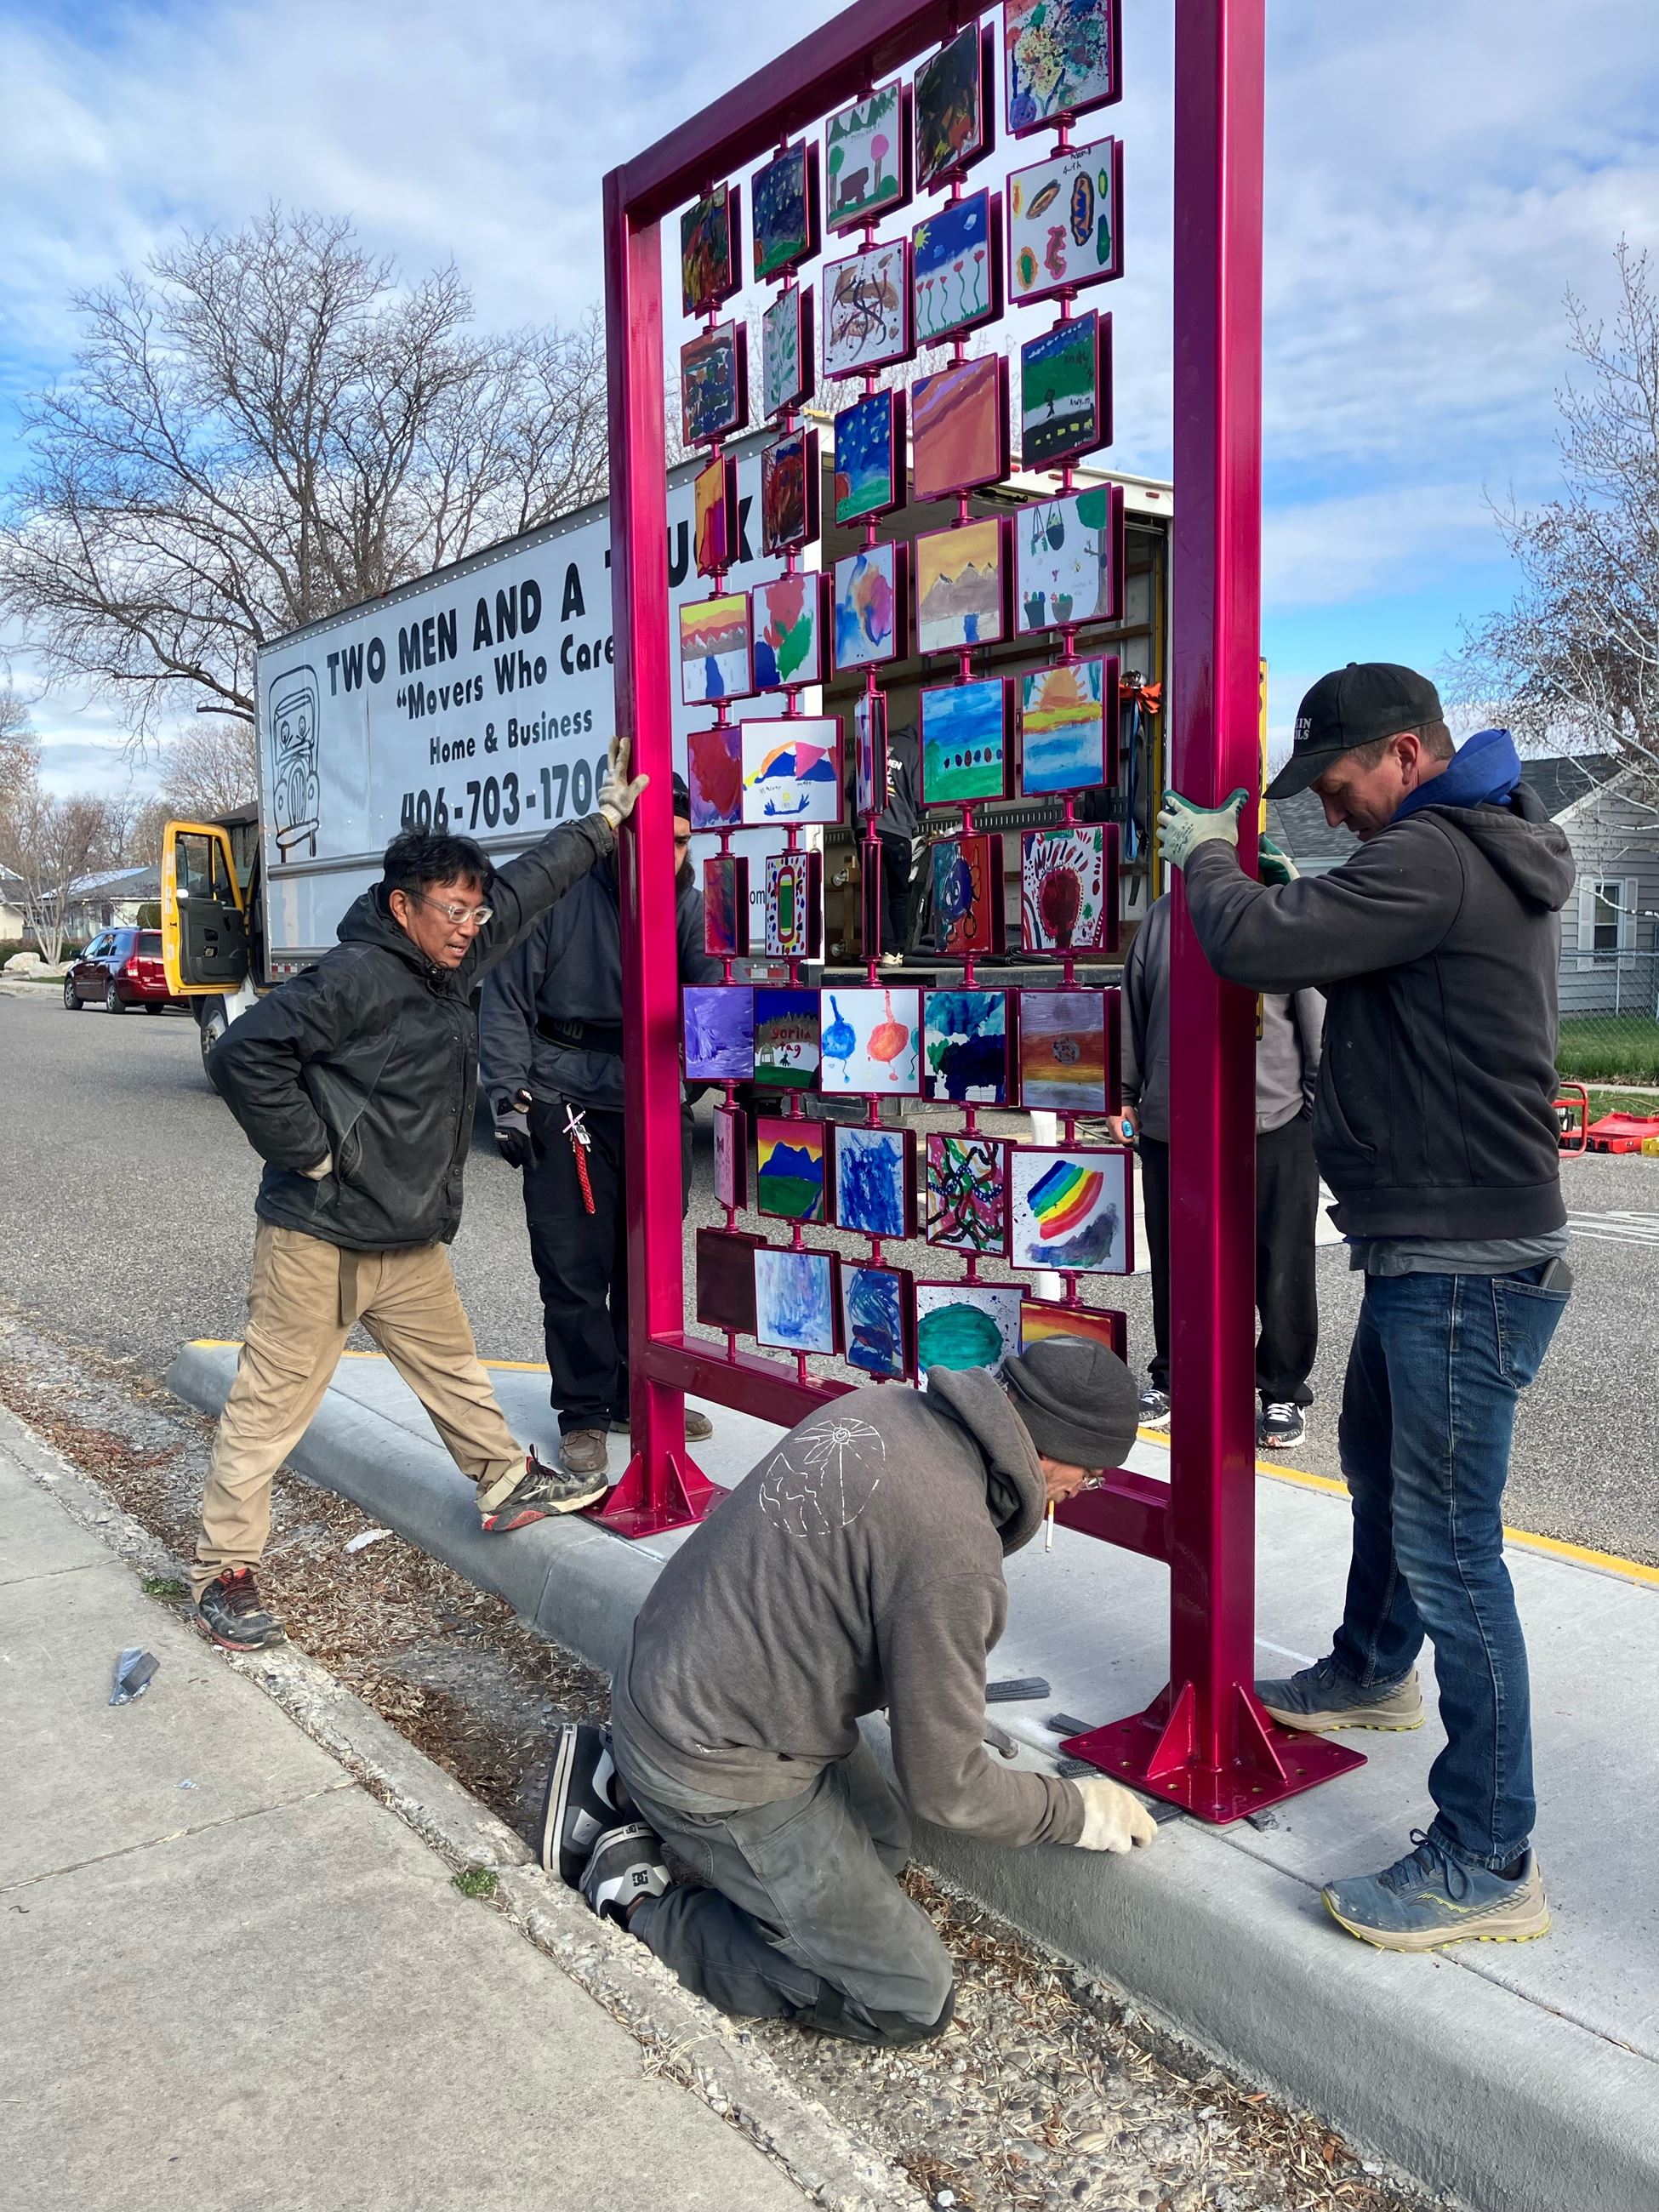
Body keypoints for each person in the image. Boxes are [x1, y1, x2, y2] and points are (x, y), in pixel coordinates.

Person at [1157, 664, 1573, 1953]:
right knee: (1378, 1466)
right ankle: (1372, 1668)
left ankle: (1488, 1853)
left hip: (1459, 1262)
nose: (1326, 811)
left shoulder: (1435, 853)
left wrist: (1213, 863)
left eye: (1333, 786)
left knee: (1453, 1547)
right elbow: (1334, 926)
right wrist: (1278, 878)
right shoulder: (1443, 858)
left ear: (1403, 755)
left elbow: (1249, 942)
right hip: (1431, 1247)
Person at [539, 1337, 1158, 2044]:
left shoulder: (880, 1409)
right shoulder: (954, 1553)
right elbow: (948, 1791)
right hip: (715, 1758)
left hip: (676, 1682)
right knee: (906, 1998)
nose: (1082, 1492)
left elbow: (841, 1587)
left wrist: (938, 1691)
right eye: (1092, 1475)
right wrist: (1075, 1810)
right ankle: (633, 1904)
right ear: (1051, 1452)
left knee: (882, 1848)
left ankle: (622, 1782)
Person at [189, 738, 648, 1652]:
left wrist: (602, 824)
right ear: (403, 906)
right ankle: (221, 1570)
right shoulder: (359, 973)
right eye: (452, 908)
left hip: (404, 1240)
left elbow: (524, 889)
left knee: (457, 1376)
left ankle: (503, 1481)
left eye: (474, 911)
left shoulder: (455, 958)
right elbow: (244, 1053)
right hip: (319, 1236)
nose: (470, 923)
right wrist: (312, 1152)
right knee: (270, 1406)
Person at [479, 774, 720, 1479]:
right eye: (656, 841)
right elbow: (506, 999)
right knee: (575, 1269)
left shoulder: (690, 906)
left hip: (651, 1102)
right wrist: (508, 1098)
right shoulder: (558, 897)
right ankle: (583, 1411)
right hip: (564, 1097)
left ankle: (631, 1391)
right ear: (618, 836)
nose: (670, 856)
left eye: (681, 843)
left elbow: (710, 992)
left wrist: (722, 1066)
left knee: (647, 1268)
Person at [1110, 892, 1324, 1449]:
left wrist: (1313, 1108)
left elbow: (1316, 1016)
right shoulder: (1162, 917)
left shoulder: (1282, 906)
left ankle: (1282, 1389)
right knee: (1178, 1263)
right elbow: (1133, 1009)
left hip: (1273, 1122)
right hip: (1172, 1124)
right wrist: (1127, 1096)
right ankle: (1175, 1378)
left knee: (1282, 1265)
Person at [875, 717, 921, 966]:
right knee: (898, 893)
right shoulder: (914, 752)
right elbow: (920, 797)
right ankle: (894, 951)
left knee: (876, 892)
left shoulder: (873, 746)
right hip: (897, 831)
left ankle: (877, 948)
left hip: (867, 829)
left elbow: (852, 790)